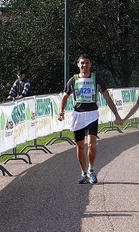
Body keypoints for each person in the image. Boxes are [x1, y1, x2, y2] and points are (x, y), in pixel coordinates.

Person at [57, 54, 122, 184]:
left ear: (90, 64)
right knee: (79, 147)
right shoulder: (73, 80)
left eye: (87, 63)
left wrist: (117, 115)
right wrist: (61, 112)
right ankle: (83, 173)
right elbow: (64, 97)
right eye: (82, 63)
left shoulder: (96, 79)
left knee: (91, 144)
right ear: (78, 65)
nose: (84, 65)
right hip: (78, 115)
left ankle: (91, 170)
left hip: (92, 114)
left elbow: (107, 97)